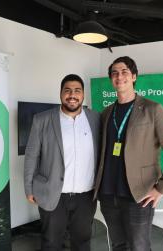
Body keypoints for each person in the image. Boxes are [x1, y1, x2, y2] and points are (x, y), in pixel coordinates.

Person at [93, 56, 163, 251]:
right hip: (108, 194)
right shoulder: (106, 113)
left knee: (139, 247)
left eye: (124, 72)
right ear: (111, 79)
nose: (119, 77)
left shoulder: (153, 109)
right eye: (115, 73)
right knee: (118, 245)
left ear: (134, 76)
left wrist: (161, 189)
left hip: (138, 196)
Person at [24, 74, 100, 251]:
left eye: (77, 91)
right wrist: (28, 188)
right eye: (67, 91)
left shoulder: (95, 119)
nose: (72, 95)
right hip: (53, 194)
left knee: (82, 242)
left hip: (86, 197)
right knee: (51, 243)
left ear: (83, 95)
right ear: (60, 94)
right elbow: (31, 155)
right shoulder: (42, 119)